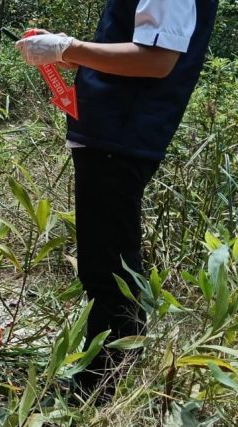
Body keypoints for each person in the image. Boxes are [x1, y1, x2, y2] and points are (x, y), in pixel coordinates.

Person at [15, 0, 218, 399]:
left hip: (123, 136)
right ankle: (104, 376)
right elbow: (134, 48)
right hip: (109, 133)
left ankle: (101, 388)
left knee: (108, 267)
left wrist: (67, 48)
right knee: (102, 260)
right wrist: (70, 52)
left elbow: (158, 59)